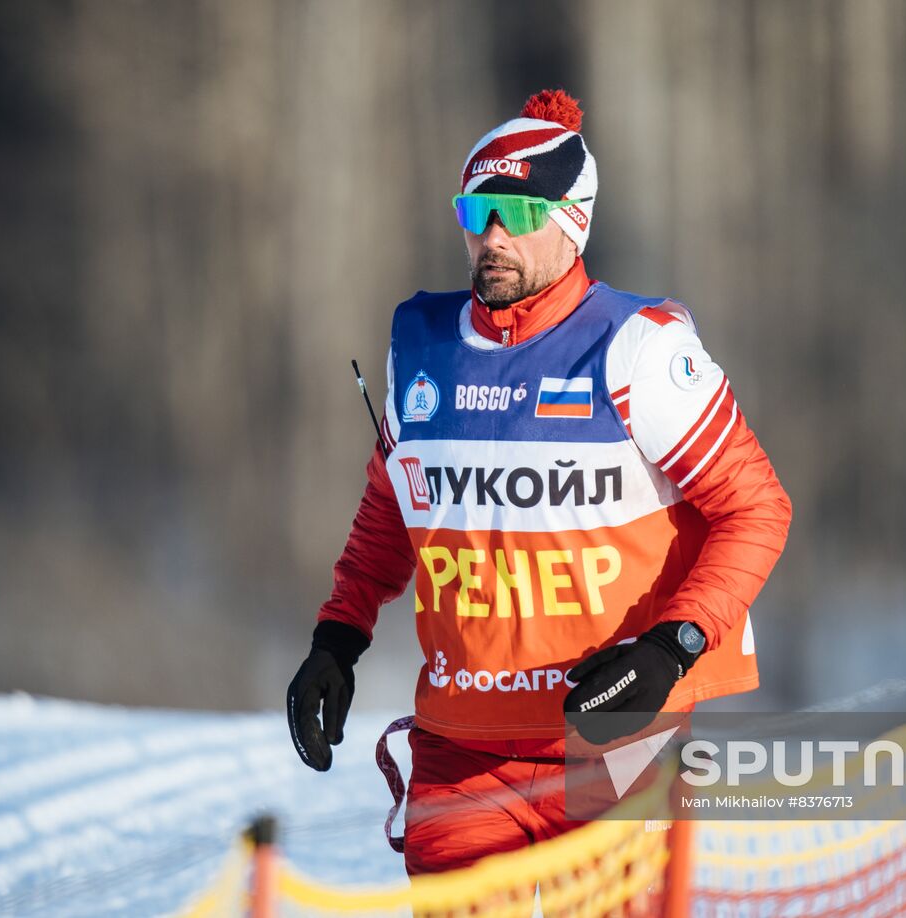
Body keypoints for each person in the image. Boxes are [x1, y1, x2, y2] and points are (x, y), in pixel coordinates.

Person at [286, 89, 792, 877]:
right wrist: (338, 639)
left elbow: (756, 508)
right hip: (461, 750)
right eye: (475, 211)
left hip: (612, 741)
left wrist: (673, 646)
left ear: (571, 221)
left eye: (516, 216)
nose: (491, 236)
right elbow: (395, 507)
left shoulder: (639, 349)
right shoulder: (420, 344)